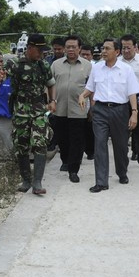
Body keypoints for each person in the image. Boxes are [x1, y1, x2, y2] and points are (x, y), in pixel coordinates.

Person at [0, 33, 56, 195]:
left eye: (43, 50)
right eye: (39, 50)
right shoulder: (14, 64)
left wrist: (53, 100)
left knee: (40, 142)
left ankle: (37, 182)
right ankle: (26, 180)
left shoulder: (44, 65)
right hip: (21, 111)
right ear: (29, 48)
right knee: (21, 146)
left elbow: (51, 84)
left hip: (39, 111)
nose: (41, 53)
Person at [79, 38, 139, 192]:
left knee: (121, 146)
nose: (103, 51)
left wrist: (134, 113)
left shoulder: (126, 70)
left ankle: (122, 171)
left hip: (120, 110)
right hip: (100, 110)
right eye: (102, 48)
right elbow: (90, 87)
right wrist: (82, 95)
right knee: (99, 144)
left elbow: (132, 93)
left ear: (117, 52)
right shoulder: (97, 68)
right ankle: (101, 182)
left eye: (107, 48)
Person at [51, 35, 92, 183]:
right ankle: (65, 160)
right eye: (68, 47)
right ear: (64, 48)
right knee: (62, 138)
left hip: (78, 109)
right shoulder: (56, 65)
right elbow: (50, 85)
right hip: (59, 108)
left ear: (79, 48)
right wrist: (50, 101)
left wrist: (92, 108)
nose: (70, 49)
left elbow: (92, 88)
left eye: (74, 47)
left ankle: (74, 170)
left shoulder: (87, 66)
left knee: (77, 140)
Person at [119, 34, 139, 165]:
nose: (126, 51)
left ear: (135, 47)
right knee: (123, 129)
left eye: (129, 47)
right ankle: (123, 154)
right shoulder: (117, 61)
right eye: (123, 48)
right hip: (122, 100)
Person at [45, 37, 65, 158]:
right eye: (55, 49)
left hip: (64, 95)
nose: (57, 51)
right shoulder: (47, 61)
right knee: (52, 120)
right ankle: (53, 142)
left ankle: (61, 144)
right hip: (51, 95)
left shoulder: (68, 61)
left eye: (59, 49)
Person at [79, 45, 96, 160]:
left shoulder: (96, 68)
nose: (85, 57)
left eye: (87, 54)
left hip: (91, 103)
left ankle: (91, 151)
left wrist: (92, 107)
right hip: (77, 104)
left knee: (90, 130)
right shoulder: (76, 66)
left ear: (92, 56)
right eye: (83, 54)